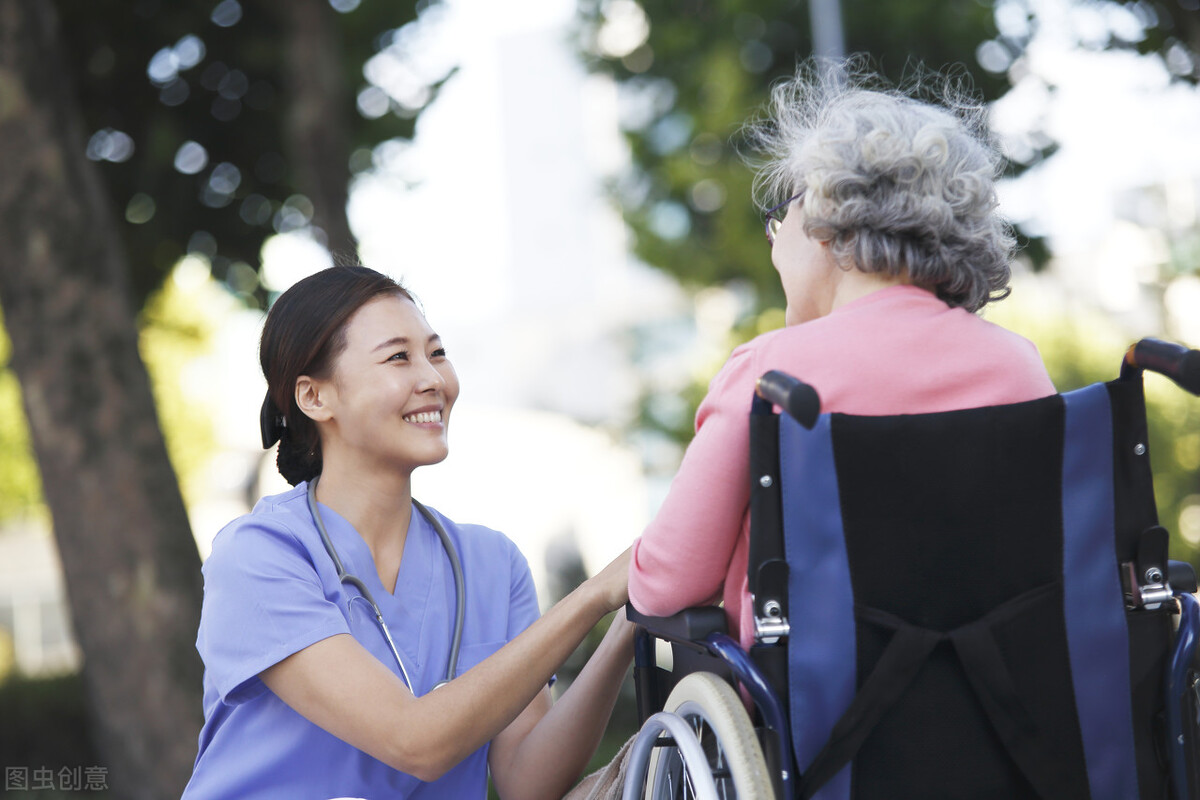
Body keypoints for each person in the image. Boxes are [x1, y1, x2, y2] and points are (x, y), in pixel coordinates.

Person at [628, 62, 1058, 652]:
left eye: (785, 217)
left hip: (819, 718)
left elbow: (662, 585)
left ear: (828, 218)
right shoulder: (1019, 368)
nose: (777, 241)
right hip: (1008, 713)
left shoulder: (770, 376)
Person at [183, 266, 633, 799]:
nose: (434, 379)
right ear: (314, 397)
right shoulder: (259, 557)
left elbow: (526, 785)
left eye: (437, 353)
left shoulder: (492, 563)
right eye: (399, 357)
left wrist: (630, 615)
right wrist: (591, 597)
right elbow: (415, 743)